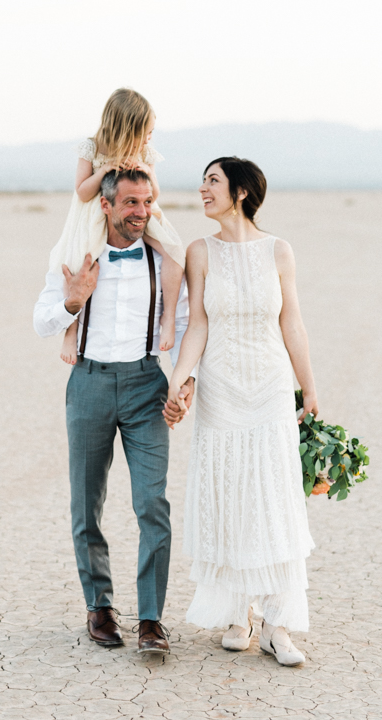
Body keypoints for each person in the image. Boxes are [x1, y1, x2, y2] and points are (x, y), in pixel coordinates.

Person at [166, 157, 318, 666]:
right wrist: (181, 377)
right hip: (222, 389)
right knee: (230, 493)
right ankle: (238, 612)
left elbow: (292, 322)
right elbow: (199, 325)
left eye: (213, 181)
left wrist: (309, 387)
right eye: (203, 181)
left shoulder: (279, 251)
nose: (203, 189)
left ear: (242, 192)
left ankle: (278, 625)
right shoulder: (199, 251)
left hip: (271, 388)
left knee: (273, 496)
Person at [34, 167, 191, 652]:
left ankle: (150, 619)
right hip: (90, 385)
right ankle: (99, 606)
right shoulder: (75, 258)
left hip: (147, 385)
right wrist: (73, 303)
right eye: (130, 203)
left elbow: (183, 324)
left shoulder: (162, 261)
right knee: (87, 502)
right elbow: (42, 322)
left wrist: (184, 383)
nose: (141, 212)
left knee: (152, 504)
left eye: (146, 203)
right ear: (106, 205)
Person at [49, 88, 185, 366]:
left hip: (140, 211)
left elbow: (154, 193)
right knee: (78, 263)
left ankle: (168, 316)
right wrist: (104, 170)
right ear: (127, 128)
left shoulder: (144, 152)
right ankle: (70, 330)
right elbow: (83, 192)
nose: (150, 138)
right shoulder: (92, 147)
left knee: (174, 250)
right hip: (95, 213)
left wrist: (144, 170)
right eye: (146, 131)